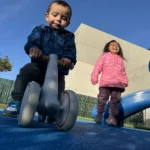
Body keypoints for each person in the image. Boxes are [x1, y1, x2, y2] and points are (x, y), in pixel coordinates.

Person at [3, 0, 76, 122]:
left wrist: (68, 59)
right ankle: (17, 100)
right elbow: (33, 40)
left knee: (58, 90)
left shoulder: (69, 36)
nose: (58, 19)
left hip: (57, 71)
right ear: (47, 16)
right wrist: (34, 49)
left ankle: (54, 112)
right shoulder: (41, 30)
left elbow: (70, 49)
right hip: (39, 65)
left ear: (67, 23)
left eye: (63, 18)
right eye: (55, 15)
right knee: (26, 71)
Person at [91, 40, 128, 126]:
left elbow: (123, 72)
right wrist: (94, 77)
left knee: (115, 101)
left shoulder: (120, 59)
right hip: (106, 83)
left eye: (117, 46)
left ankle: (112, 118)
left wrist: (125, 80)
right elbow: (97, 67)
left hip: (118, 85)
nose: (116, 46)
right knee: (102, 99)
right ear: (108, 47)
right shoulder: (104, 56)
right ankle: (99, 114)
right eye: (113, 45)